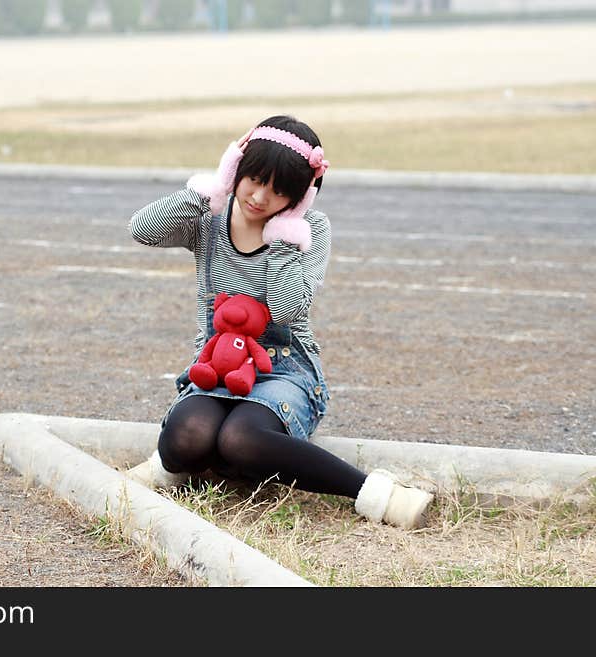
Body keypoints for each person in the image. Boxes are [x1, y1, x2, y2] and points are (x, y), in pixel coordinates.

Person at [125, 115, 433, 529]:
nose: (259, 197)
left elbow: (288, 311)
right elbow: (141, 230)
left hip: (284, 369)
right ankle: (171, 466)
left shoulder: (310, 230)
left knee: (240, 439)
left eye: (279, 191)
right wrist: (208, 193)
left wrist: (285, 237)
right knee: (189, 436)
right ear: (237, 168)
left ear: (300, 197)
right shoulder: (210, 218)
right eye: (253, 179)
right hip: (217, 366)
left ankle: (377, 495)